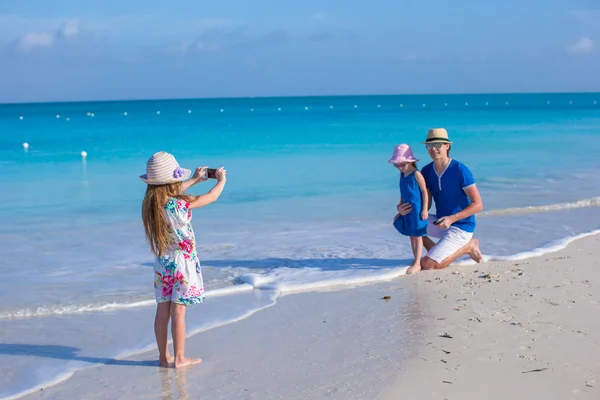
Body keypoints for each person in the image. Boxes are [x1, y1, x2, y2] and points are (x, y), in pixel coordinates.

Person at [140, 151, 227, 368]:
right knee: (179, 310)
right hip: (182, 263)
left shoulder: (151, 204)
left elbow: (170, 191)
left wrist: (195, 179)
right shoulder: (180, 204)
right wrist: (221, 180)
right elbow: (212, 197)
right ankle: (179, 358)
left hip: (163, 262)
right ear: (173, 181)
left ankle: (164, 357)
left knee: (162, 310)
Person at [397, 128, 483, 273]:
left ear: (447, 146)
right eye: (429, 146)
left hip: (461, 226)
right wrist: (402, 209)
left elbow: (478, 204)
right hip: (440, 222)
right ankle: (435, 251)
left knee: (428, 265)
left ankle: (469, 246)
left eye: (437, 145)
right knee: (407, 221)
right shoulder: (426, 171)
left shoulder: (460, 170)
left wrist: (451, 218)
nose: (433, 149)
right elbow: (425, 203)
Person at [389, 144, 429, 274]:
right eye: (397, 165)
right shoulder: (402, 175)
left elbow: (424, 192)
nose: (400, 168)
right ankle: (416, 259)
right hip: (406, 209)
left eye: (403, 165)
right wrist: (399, 205)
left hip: (417, 210)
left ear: (410, 161)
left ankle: (417, 263)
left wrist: (424, 210)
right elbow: (403, 193)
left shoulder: (416, 174)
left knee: (417, 236)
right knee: (411, 235)